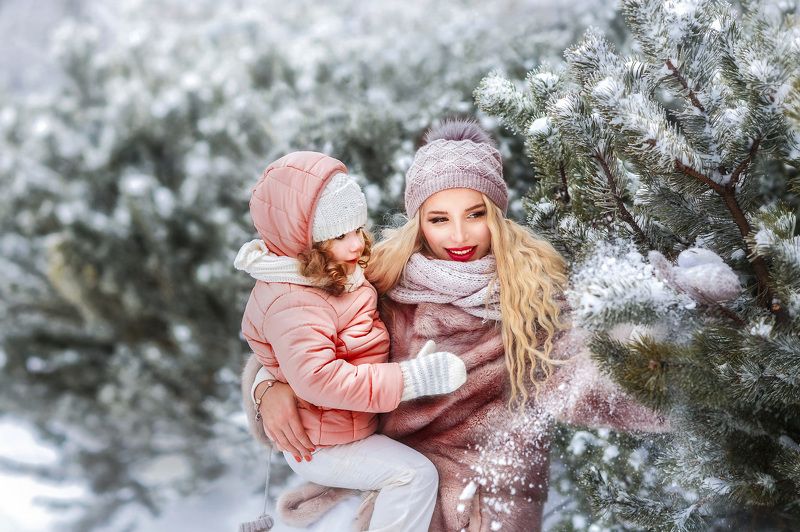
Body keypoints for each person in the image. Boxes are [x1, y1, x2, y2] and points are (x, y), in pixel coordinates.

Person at [243, 123, 666, 531]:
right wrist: (266, 388)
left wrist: (669, 355)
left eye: (475, 214)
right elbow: (297, 337)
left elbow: (592, 380)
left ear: (496, 214)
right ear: (419, 222)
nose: (459, 235)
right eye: (440, 219)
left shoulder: (532, 299)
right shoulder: (381, 279)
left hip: (490, 500)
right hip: (390, 488)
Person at [235, 151, 469, 532]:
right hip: (324, 442)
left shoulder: (339, 272)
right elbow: (319, 377)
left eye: (358, 229)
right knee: (413, 476)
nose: (357, 243)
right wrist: (411, 380)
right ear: (304, 245)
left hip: (347, 427)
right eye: (340, 235)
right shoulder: (295, 299)